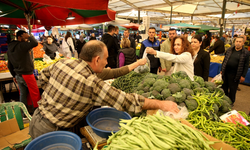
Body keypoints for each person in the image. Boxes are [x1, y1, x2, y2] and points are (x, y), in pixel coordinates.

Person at [29, 40, 179, 139]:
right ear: (96, 60)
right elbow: (127, 101)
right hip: (52, 131)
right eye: (106, 59)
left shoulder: (62, 63)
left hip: (36, 118)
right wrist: (161, 104)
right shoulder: (91, 83)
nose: (107, 62)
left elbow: (42, 79)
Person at [7, 30, 41, 110]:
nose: (26, 38)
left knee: (23, 94)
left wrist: (14, 75)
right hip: (27, 74)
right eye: (24, 36)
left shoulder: (10, 48)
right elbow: (35, 43)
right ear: (19, 37)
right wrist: (29, 36)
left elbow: (9, 65)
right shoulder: (21, 45)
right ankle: (37, 111)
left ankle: (24, 111)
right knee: (34, 92)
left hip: (18, 75)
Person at [221, 36, 249, 104]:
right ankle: (224, 101)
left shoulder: (245, 53)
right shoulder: (230, 50)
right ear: (234, 42)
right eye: (237, 41)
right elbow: (225, 60)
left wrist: (243, 75)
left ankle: (231, 102)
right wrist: (222, 69)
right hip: (226, 72)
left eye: (240, 42)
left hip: (235, 75)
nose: (238, 43)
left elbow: (246, 65)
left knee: (232, 90)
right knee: (224, 87)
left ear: (243, 43)